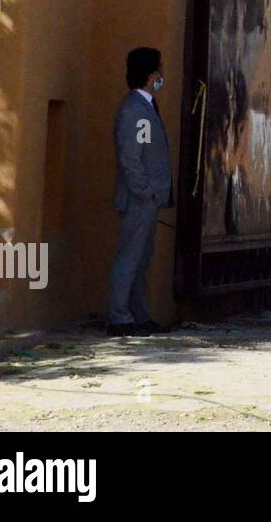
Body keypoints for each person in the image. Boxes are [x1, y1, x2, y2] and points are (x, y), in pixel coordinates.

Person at [108, 47, 172, 336]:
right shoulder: (135, 110)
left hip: (147, 198)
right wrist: (145, 192)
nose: (162, 75)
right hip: (140, 199)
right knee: (130, 257)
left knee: (142, 259)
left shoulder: (144, 107)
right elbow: (130, 157)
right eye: (159, 70)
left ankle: (137, 314)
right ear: (150, 75)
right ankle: (119, 316)